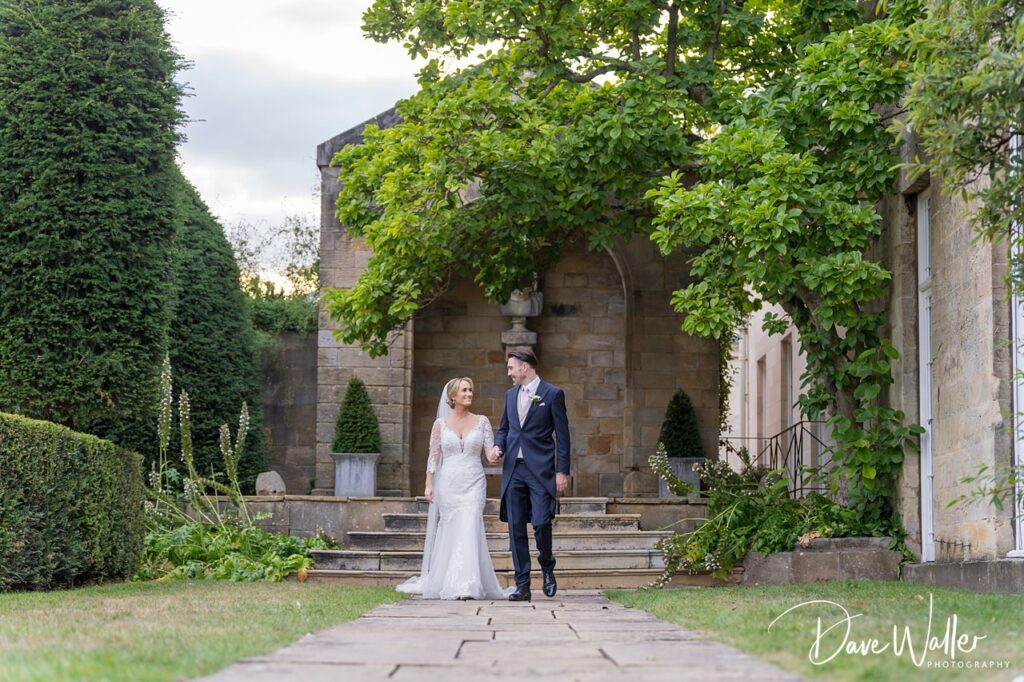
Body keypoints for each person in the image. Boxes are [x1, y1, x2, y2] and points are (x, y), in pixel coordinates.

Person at [396, 377, 511, 600]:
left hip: (474, 482)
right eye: (464, 390)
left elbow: (489, 455)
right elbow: (433, 456)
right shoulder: (440, 424)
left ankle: (466, 585)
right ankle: (444, 580)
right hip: (448, 483)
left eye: (470, 390)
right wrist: (429, 484)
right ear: (452, 396)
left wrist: (497, 452)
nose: (469, 393)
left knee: (469, 524)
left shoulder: (482, 421)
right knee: (451, 529)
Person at [488, 349, 570, 602]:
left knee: (542, 522)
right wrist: (498, 446)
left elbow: (563, 437)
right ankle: (522, 585)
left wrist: (562, 471)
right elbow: (505, 428)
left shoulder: (552, 394)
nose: (509, 372)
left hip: (541, 470)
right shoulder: (509, 395)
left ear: (525, 367)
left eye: (511, 367)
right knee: (515, 528)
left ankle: (547, 565)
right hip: (514, 469)